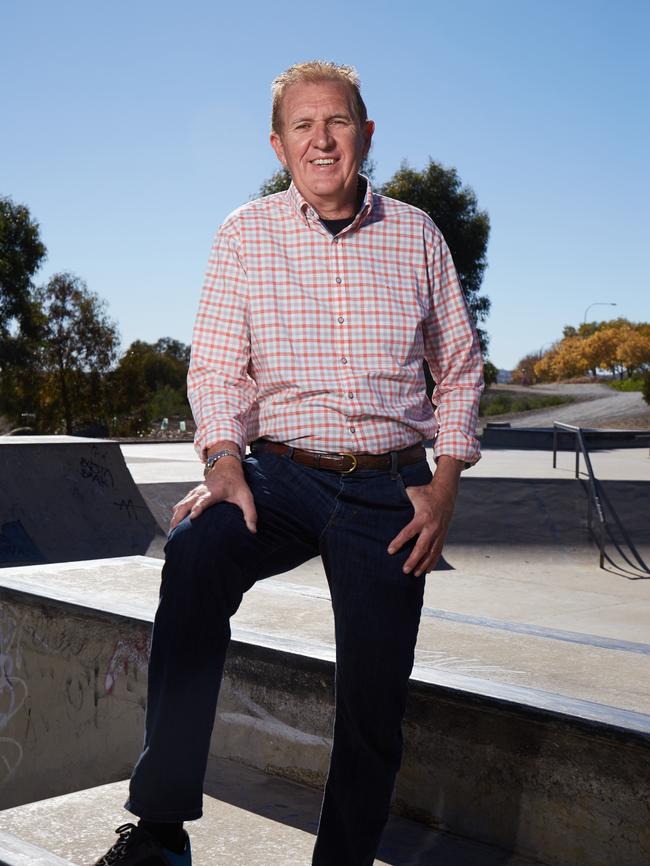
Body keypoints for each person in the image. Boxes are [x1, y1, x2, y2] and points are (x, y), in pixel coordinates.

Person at [93, 60, 483, 866]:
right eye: (303, 126)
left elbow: (461, 369)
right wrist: (223, 459)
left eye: (337, 121)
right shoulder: (245, 233)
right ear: (279, 145)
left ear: (366, 134)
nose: (322, 139)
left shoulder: (416, 234)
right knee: (195, 555)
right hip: (280, 473)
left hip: (389, 487)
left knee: (373, 704)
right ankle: (160, 831)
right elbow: (215, 368)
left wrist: (443, 489)